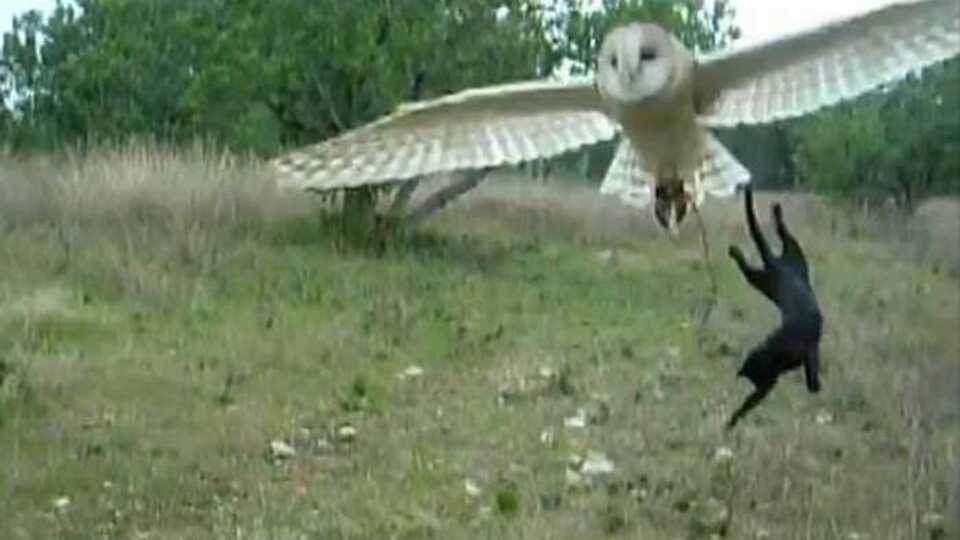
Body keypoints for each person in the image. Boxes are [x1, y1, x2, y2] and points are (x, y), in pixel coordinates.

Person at [727, 186, 823, 428]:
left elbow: (756, 233)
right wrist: (777, 221)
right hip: (812, 325)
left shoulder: (775, 274)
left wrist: (749, 199)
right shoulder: (795, 265)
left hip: (796, 331)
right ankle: (739, 413)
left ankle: (741, 404)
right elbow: (766, 235)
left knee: (769, 367)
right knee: (787, 369)